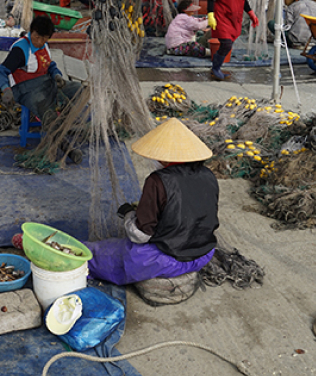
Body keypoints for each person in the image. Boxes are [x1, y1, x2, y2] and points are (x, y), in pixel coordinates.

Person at [84, 118, 219, 285]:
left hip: (166, 260)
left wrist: (128, 214)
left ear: (163, 156)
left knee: (90, 254)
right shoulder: (208, 175)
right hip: (203, 255)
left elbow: (140, 235)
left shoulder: (158, 181)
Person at [0, 15, 85, 162]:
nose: (40, 42)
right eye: (37, 37)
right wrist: (6, 89)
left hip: (46, 83)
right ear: (32, 32)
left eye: (44, 39)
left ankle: (62, 123)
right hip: (26, 90)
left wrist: (57, 76)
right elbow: (1, 71)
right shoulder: (21, 49)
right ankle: (67, 148)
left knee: (78, 89)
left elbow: (50, 65)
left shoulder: (44, 46)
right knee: (47, 112)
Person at [207, 0, 258, 80]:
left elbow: (243, 0)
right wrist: (210, 15)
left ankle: (216, 67)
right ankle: (215, 68)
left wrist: (251, 13)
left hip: (234, 21)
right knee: (226, 44)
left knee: (226, 46)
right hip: (222, 19)